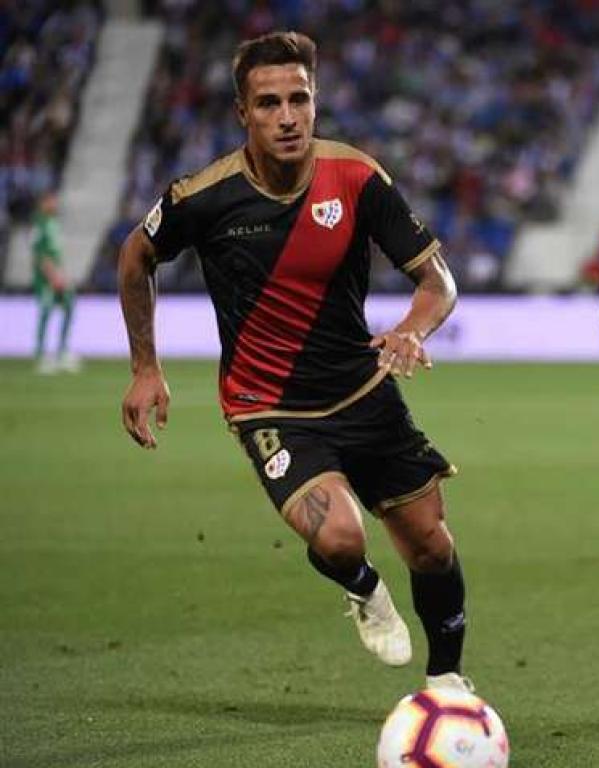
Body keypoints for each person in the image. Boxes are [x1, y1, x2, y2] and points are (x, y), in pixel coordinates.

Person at [117, 31, 472, 693]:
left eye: (299, 99)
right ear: (242, 114)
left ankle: (447, 681)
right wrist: (145, 366)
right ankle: (364, 589)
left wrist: (411, 330)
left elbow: (439, 282)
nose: (286, 116)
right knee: (340, 538)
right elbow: (136, 255)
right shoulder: (205, 196)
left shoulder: (357, 178)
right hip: (269, 404)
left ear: (315, 102)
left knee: (431, 544)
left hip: (363, 391)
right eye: (269, 102)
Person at [32, 192, 80, 374]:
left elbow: (55, 254)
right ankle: (41, 354)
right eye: (51, 200)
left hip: (57, 275)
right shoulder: (40, 224)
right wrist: (53, 277)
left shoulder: (53, 223)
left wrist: (62, 275)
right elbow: (40, 256)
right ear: (43, 202)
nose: (55, 203)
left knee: (69, 307)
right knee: (46, 312)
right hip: (45, 279)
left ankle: (62, 351)